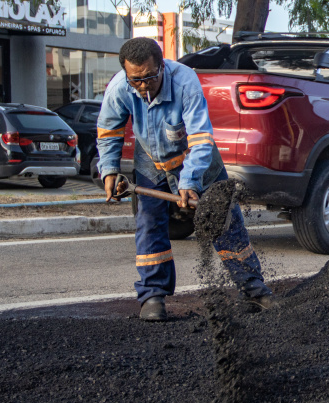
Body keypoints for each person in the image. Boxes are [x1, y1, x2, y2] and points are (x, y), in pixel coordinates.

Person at [97, 37, 275, 321]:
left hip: (199, 160)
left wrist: (189, 181)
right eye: (136, 80)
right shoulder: (120, 87)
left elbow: (202, 139)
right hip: (151, 161)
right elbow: (109, 131)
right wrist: (109, 170)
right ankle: (152, 296)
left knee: (224, 222)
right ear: (127, 74)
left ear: (162, 67)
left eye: (150, 77)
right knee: (149, 225)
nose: (143, 86)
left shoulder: (185, 81)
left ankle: (253, 290)